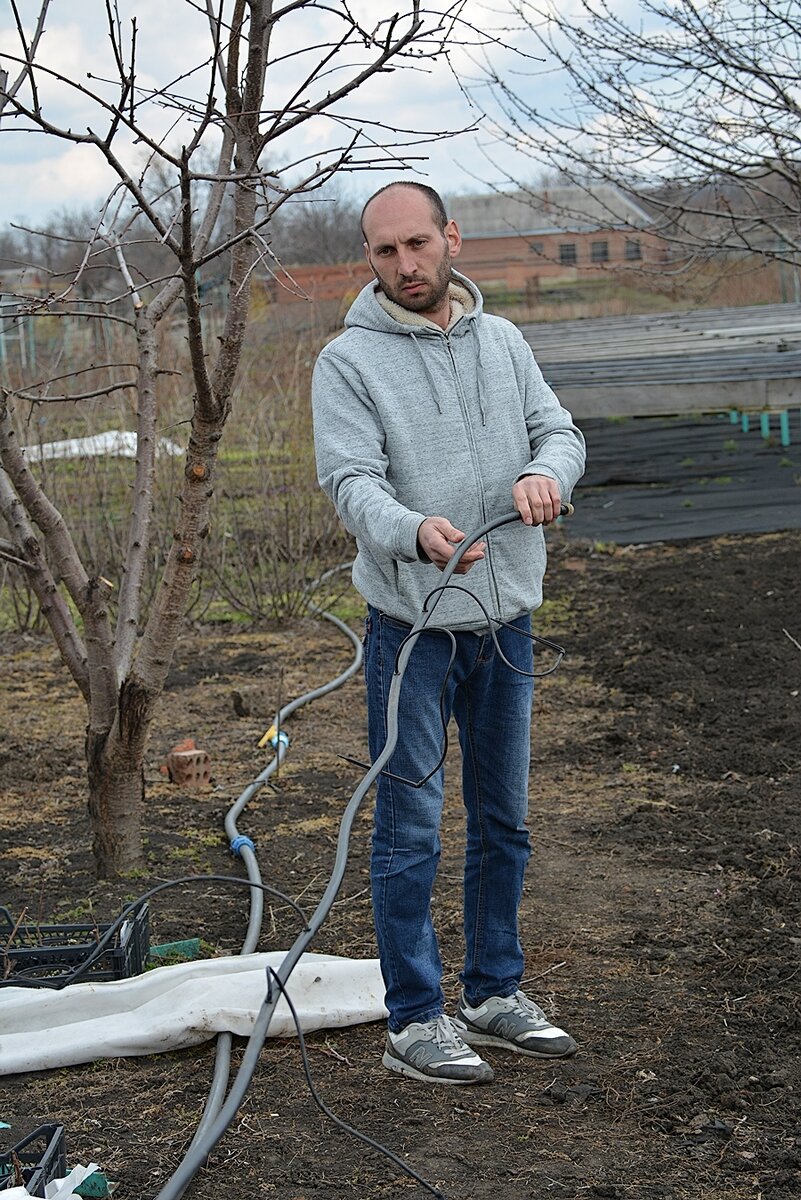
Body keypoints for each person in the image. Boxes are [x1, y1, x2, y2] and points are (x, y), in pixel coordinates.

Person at [311, 181, 586, 1085]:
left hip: (506, 621)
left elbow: (558, 430)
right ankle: (414, 1018)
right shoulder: (348, 362)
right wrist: (412, 531)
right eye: (385, 252)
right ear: (371, 259)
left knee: (503, 820)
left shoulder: (502, 342)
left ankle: (494, 993)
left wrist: (546, 473)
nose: (405, 265)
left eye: (417, 244)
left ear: (450, 238)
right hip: (413, 629)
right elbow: (352, 483)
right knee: (411, 828)